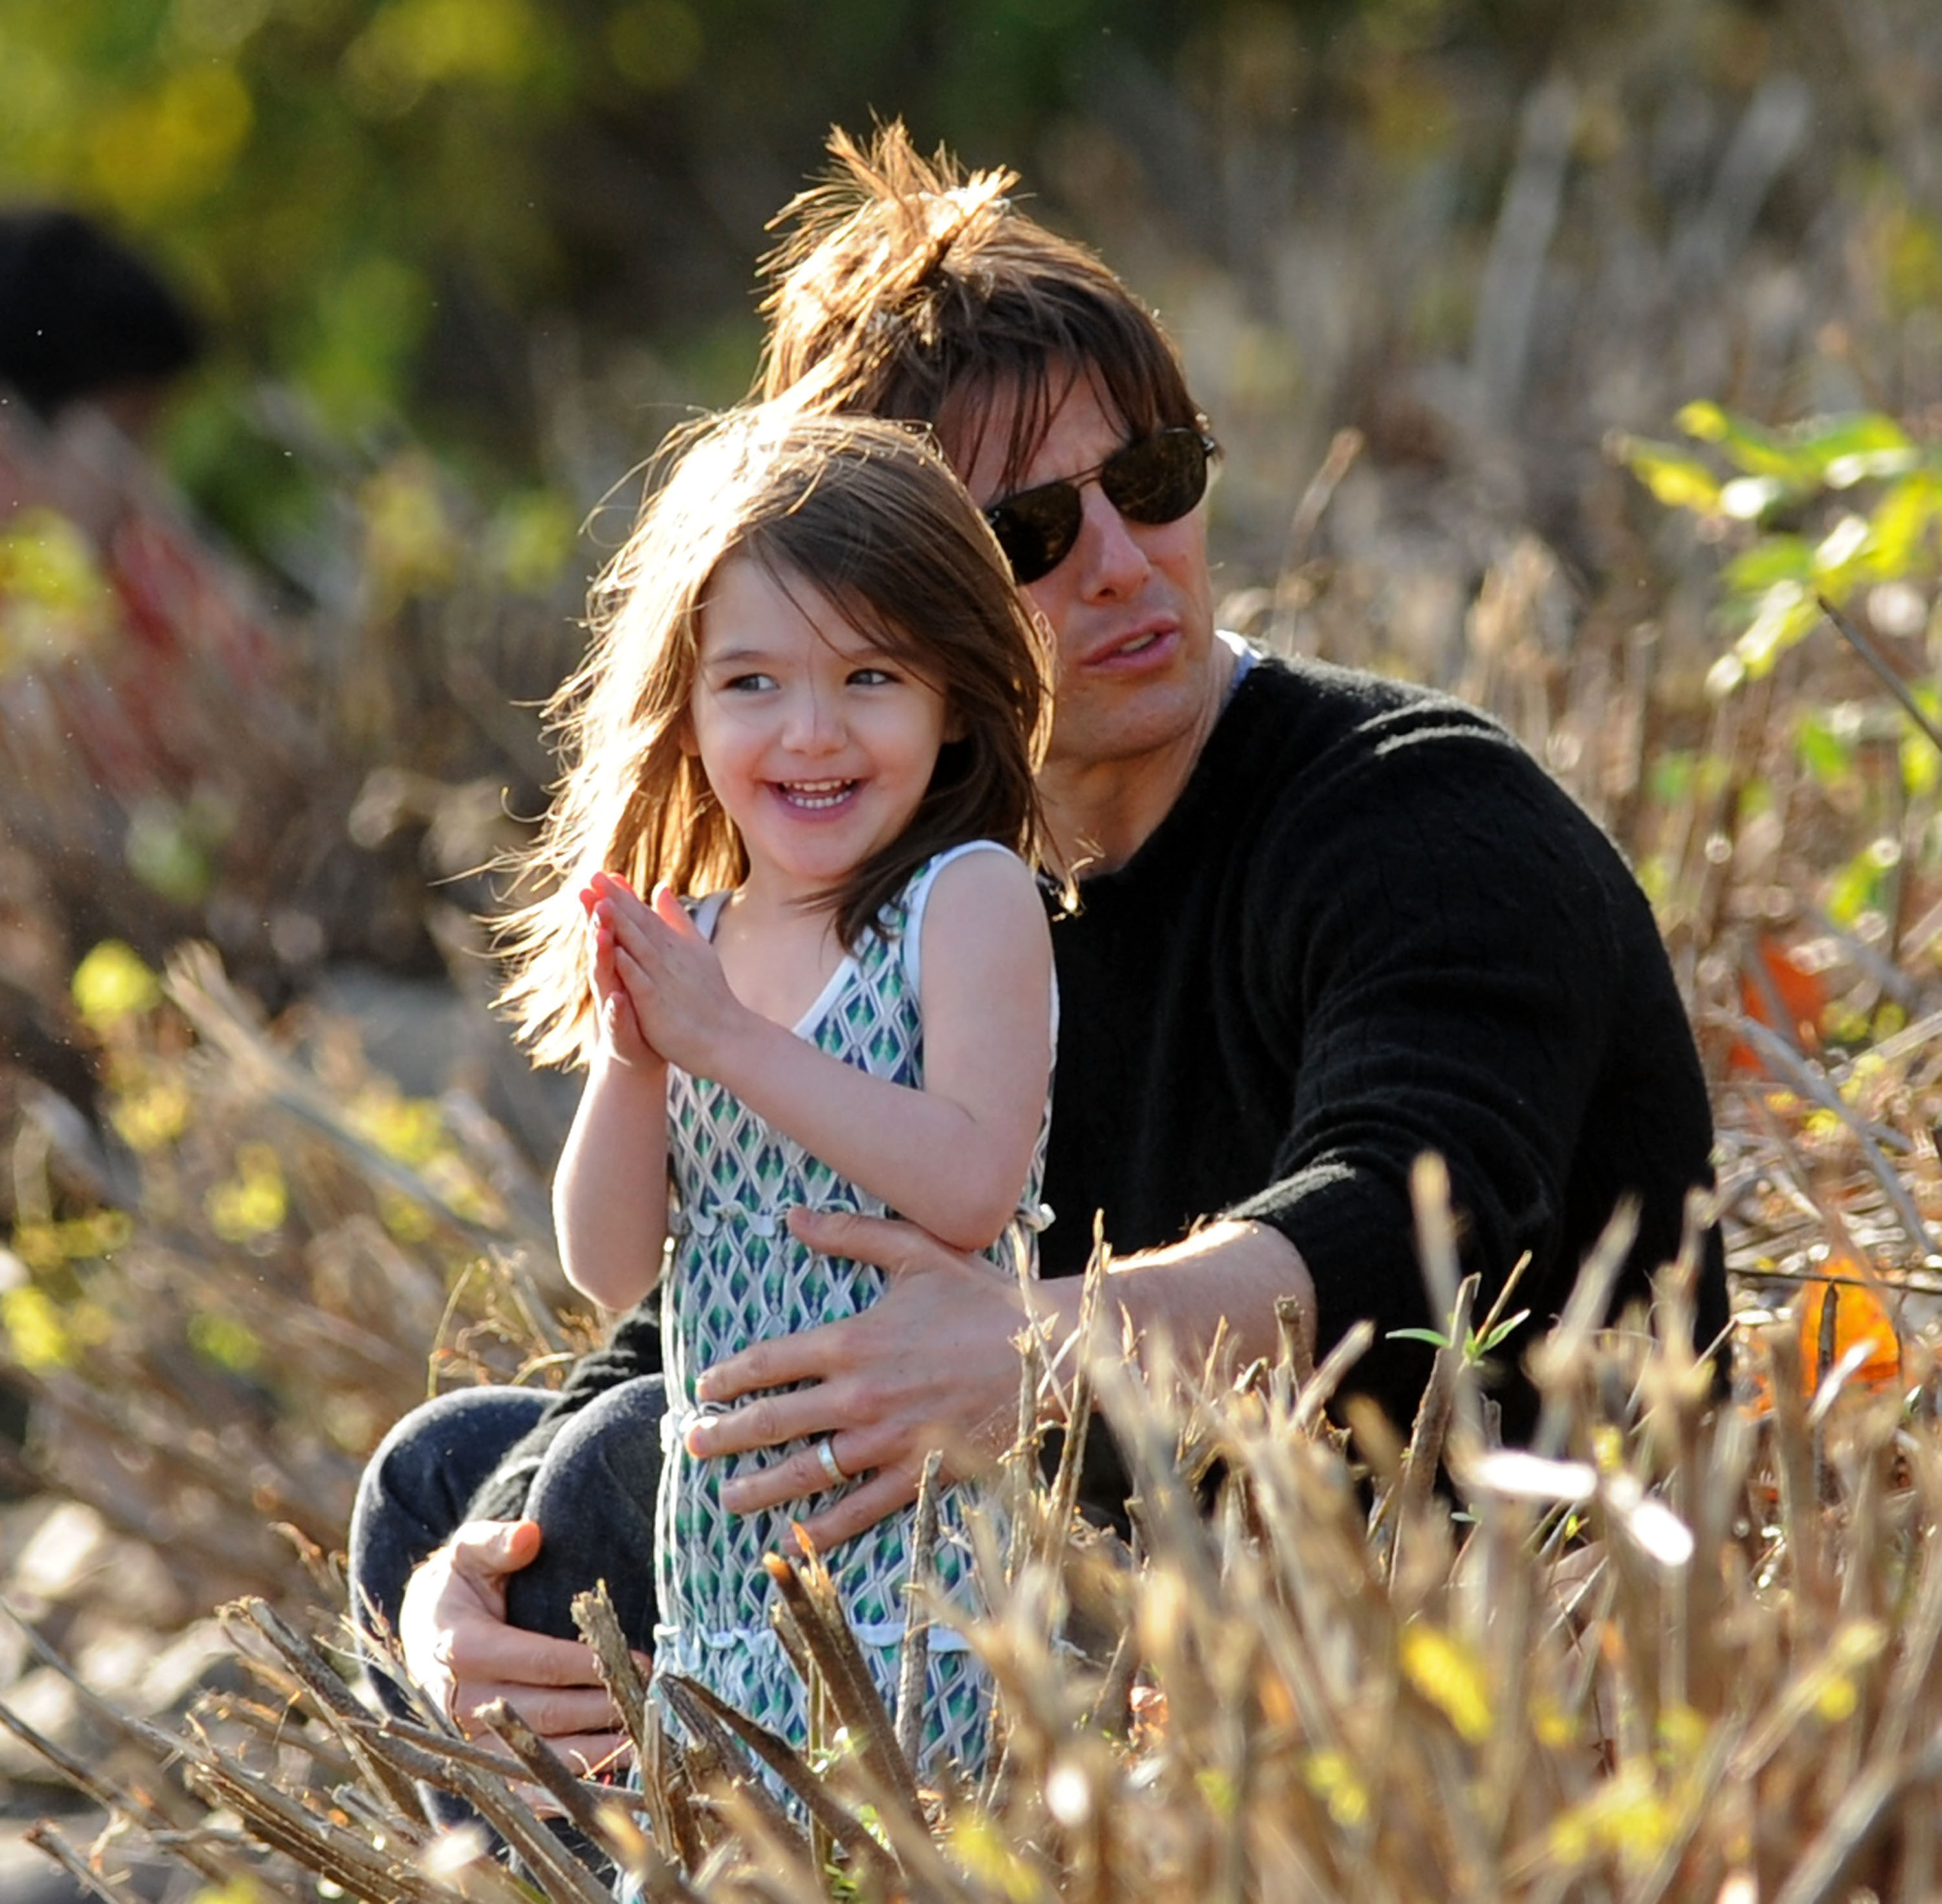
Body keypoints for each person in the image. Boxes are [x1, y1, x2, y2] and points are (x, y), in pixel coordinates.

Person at [349, 122, 1726, 1795]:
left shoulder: (1420, 813)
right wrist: (469, 1597)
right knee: (457, 1488)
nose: (1127, 561)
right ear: (895, 599)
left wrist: (1038, 1344)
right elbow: (723, 1279)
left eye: (1152, 478)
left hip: (1403, 1608)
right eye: (1027, 536)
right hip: (1036, 1556)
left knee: (655, 1467)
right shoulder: (898, 891)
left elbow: (1407, 1213)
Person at [498, 404, 1056, 1771]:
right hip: (725, 1597)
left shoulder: (964, 899)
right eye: (752, 683)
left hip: (919, 1583)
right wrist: (637, 1059)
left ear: (955, 697)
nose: (812, 733)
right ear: (685, 712)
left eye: (871, 676)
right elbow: (608, 1263)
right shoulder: (696, 939)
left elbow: (974, 1178)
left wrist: (733, 1045)